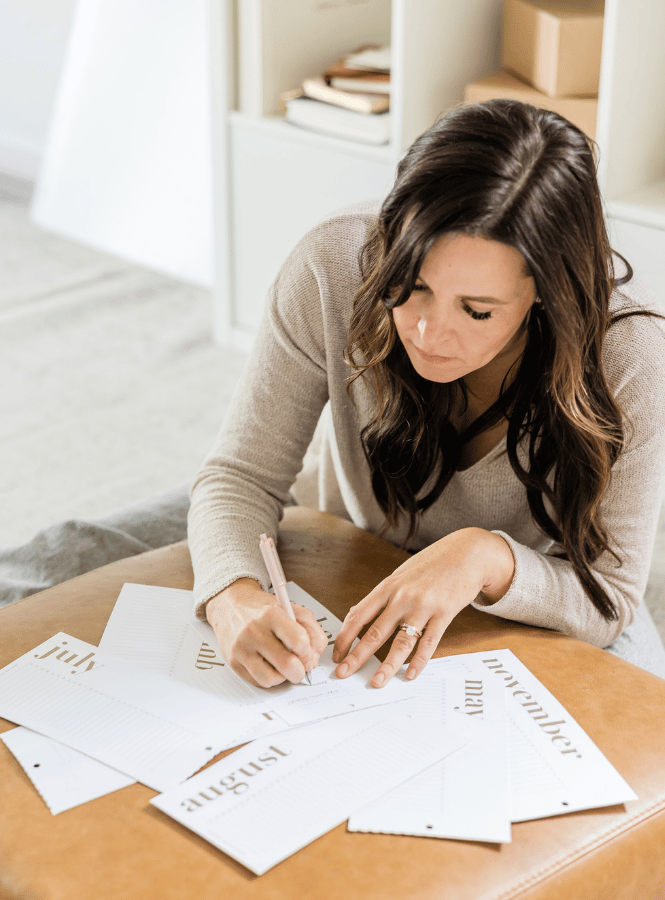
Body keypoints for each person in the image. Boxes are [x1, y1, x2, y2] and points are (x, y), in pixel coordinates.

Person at [188, 98, 665, 688]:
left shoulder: (630, 350)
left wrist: (485, 556)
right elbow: (240, 476)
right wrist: (233, 596)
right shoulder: (331, 265)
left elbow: (609, 597)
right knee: (78, 550)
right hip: (353, 541)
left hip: (532, 594)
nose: (428, 333)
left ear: (545, 292)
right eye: (410, 286)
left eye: (478, 310)